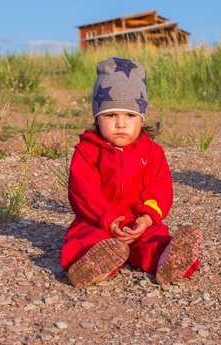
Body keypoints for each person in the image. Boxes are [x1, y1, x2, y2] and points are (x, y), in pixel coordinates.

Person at [60, 56, 204, 288]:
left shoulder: (152, 152)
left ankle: (170, 260)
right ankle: (90, 265)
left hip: (139, 224)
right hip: (97, 221)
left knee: (156, 241)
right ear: (97, 118)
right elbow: (82, 190)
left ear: (141, 118)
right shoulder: (86, 151)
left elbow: (160, 189)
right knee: (85, 240)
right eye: (110, 115)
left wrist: (147, 219)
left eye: (130, 115)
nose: (120, 123)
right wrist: (106, 219)